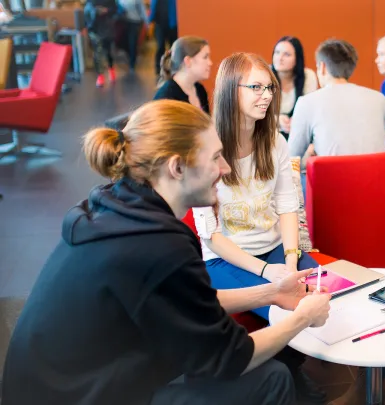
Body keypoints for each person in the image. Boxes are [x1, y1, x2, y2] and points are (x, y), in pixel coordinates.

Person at [1, 100, 332, 405]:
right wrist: (303, 318)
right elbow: (232, 357)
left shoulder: (113, 204)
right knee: (271, 378)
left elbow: (186, 298)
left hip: (51, 385)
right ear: (176, 167)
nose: (225, 168)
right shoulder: (160, 247)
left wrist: (272, 293)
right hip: (81, 396)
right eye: (215, 156)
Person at [193, 52, 326, 403]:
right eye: (255, 87)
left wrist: (292, 262)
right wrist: (270, 272)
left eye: (269, 87)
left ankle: (293, 370)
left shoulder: (274, 141)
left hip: (274, 249)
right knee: (287, 306)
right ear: (229, 92)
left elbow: (287, 206)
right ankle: (289, 380)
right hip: (224, 260)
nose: (266, 95)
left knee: (324, 289)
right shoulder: (205, 147)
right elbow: (211, 235)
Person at [288, 38, 385, 194]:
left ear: (322, 67)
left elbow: (292, 157)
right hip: (377, 188)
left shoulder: (307, 102)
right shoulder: (379, 99)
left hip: (335, 193)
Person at [271, 36, 319, 138]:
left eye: (287, 54)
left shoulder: (308, 76)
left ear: (297, 58)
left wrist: (297, 120)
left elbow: (311, 110)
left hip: (298, 133)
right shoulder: (265, 74)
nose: (280, 58)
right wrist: (276, 120)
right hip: (269, 133)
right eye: (277, 52)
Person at [153, 36, 211, 114]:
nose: (210, 63)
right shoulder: (166, 98)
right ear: (188, 61)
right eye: (205, 57)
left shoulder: (200, 90)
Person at [84, 0, 118, 88]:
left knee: (108, 51)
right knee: (97, 52)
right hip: (94, 29)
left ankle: (111, 68)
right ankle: (100, 76)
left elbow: (115, 9)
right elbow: (86, 11)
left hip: (107, 28)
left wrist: (106, 11)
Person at [149, 0, 178, 76]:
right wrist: (150, 20)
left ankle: (173, 67)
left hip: (172, 25)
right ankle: (158, 68)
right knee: (160, 46)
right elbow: (153, 7)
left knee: (173, 47)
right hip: (160, 24)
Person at [118, 0, 148, 72]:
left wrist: (146, 22)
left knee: (132, 42)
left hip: (135, 22)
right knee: (125, 41)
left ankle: (132, 63)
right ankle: (130, 57)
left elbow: (142, 9)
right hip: (124, 21)